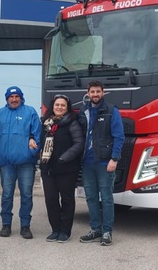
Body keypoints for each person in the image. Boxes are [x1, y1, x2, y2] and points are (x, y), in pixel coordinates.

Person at [78, 80, 125, 246]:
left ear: (103, 93)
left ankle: (107, 231)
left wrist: (114, 159)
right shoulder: (83, 111)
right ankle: (95, 229)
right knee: (90, 197)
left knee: (106, 198)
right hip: (87, 162)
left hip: (105, 162)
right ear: (88, 93)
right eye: (92, 92)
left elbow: (119, 136)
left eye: (98, 91)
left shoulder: (112, 111)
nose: (95, 94)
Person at [0, 86, 41, 239]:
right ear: (7, 99)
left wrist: (31, 154)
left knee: (26, 195)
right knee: (7, 195)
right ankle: (6, 224)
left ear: (21, 98)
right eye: (11, 97)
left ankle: (25, 226)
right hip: (6, 164)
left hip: (26, 163)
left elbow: (37, 135)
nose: (14, 99)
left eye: (16, 96)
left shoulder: (30, 112)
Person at [39, 94, 85, 242]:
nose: (59, 107)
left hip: (67, 169)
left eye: (62, 105)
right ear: (53, 106)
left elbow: (79, 144)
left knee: (67, 200)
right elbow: (40, 142)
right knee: (50, 200)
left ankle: (65, 231)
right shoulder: (46, 123)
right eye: (57, 105)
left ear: (67, 108)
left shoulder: (72, 122)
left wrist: (64, 157)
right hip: (48, 169)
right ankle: (55, 229)